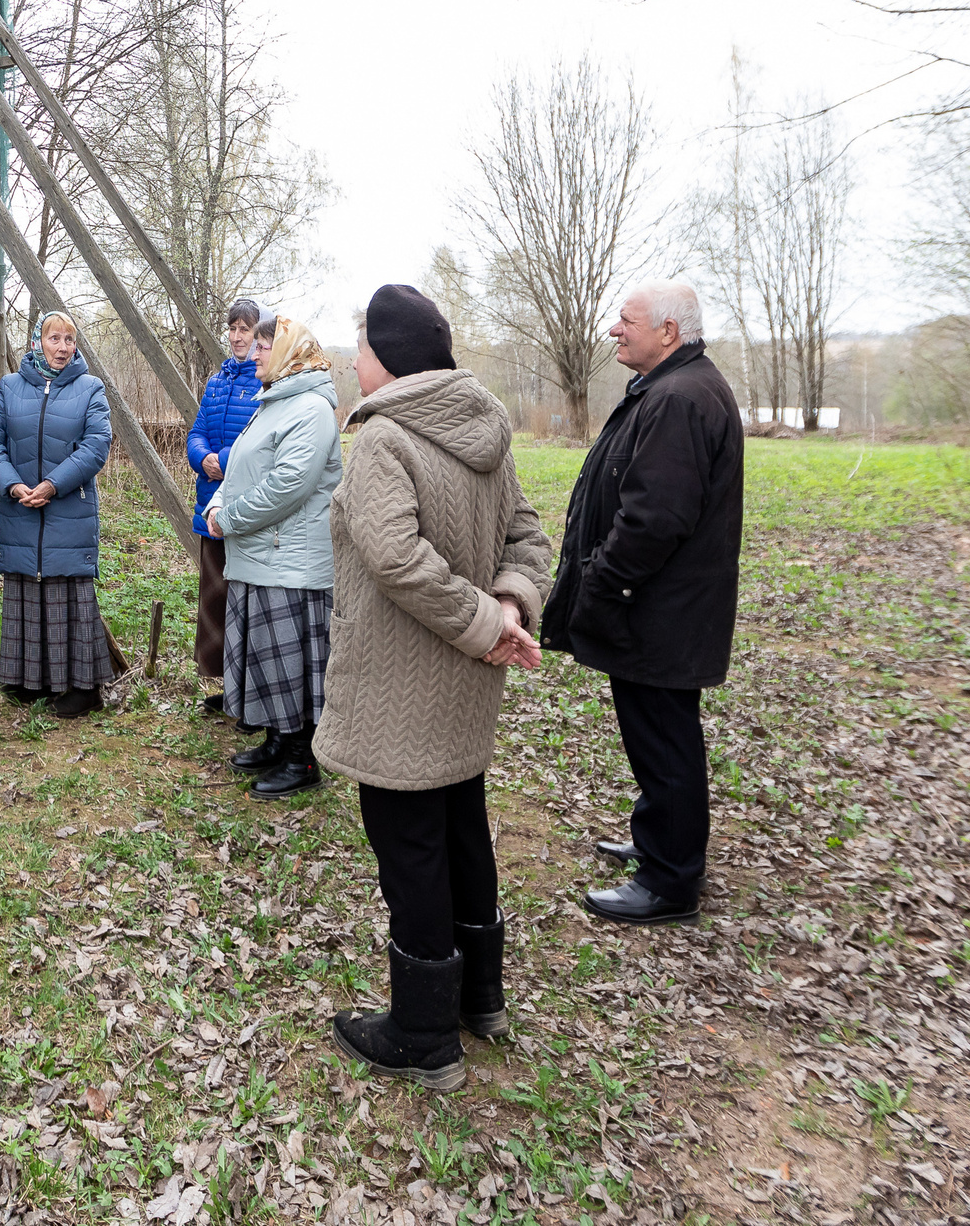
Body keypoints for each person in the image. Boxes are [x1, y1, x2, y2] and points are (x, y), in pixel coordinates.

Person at [314, 284, 551, 1091]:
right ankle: (480, 997)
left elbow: (395, 557)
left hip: (399, 691)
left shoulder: (385, 438)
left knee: (411, 847)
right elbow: (528, 536)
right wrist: (508, 607)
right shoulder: (483, 431)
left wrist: (489, 620)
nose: (354, 361)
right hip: (465, 690)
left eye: (362, 347)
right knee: (461, 832)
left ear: (390, 356)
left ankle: (423, 1034)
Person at [541, 280, 744, 927]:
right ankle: (663, 841)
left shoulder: (680, 397)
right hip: (661, 608)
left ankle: (669, 880)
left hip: (660, 611)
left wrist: (602, 585)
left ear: (668, 332)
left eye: (626, 320)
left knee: (664, 737)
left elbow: (654, 519)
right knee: (659, 734)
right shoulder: (674, 387)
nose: (613, 330)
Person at [204, 316, 341, 797]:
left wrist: (230, 518)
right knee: (267, 658)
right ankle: (278, 740)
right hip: (263, 557)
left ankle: (303, 760)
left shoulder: (312, 409)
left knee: (290, 664)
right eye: (257, 345)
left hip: (291, 563)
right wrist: (216, 505)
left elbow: (288, 486)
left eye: (265, 346)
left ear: (289, 353)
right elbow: (240, 468)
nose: (256, 353)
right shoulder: (273, 402)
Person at [0, 310, 114, 718]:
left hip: (68, 510)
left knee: (68, 594)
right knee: (26, 588)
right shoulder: (9, 387)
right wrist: (12, 484)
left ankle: (84, 689)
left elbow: (97, 445)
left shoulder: (90, 388)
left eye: (69, 339)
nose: (62, 347)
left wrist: (53, 485)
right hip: (20, 508)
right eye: (54, 338)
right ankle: (28, 680)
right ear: (37, 341)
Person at [186, 298, 265, 717]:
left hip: (246, 509)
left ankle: (252, 692)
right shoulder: (217, 382)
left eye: (245, 329)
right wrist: (204, 458)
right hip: (210, 506)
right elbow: (197, 431)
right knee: (218, 604)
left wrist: (227, 460)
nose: (236, 337)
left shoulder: (267, 381)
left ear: (259, 334)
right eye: (232, 328)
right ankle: (230, 689)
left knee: (246, 602)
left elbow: (263, 440)